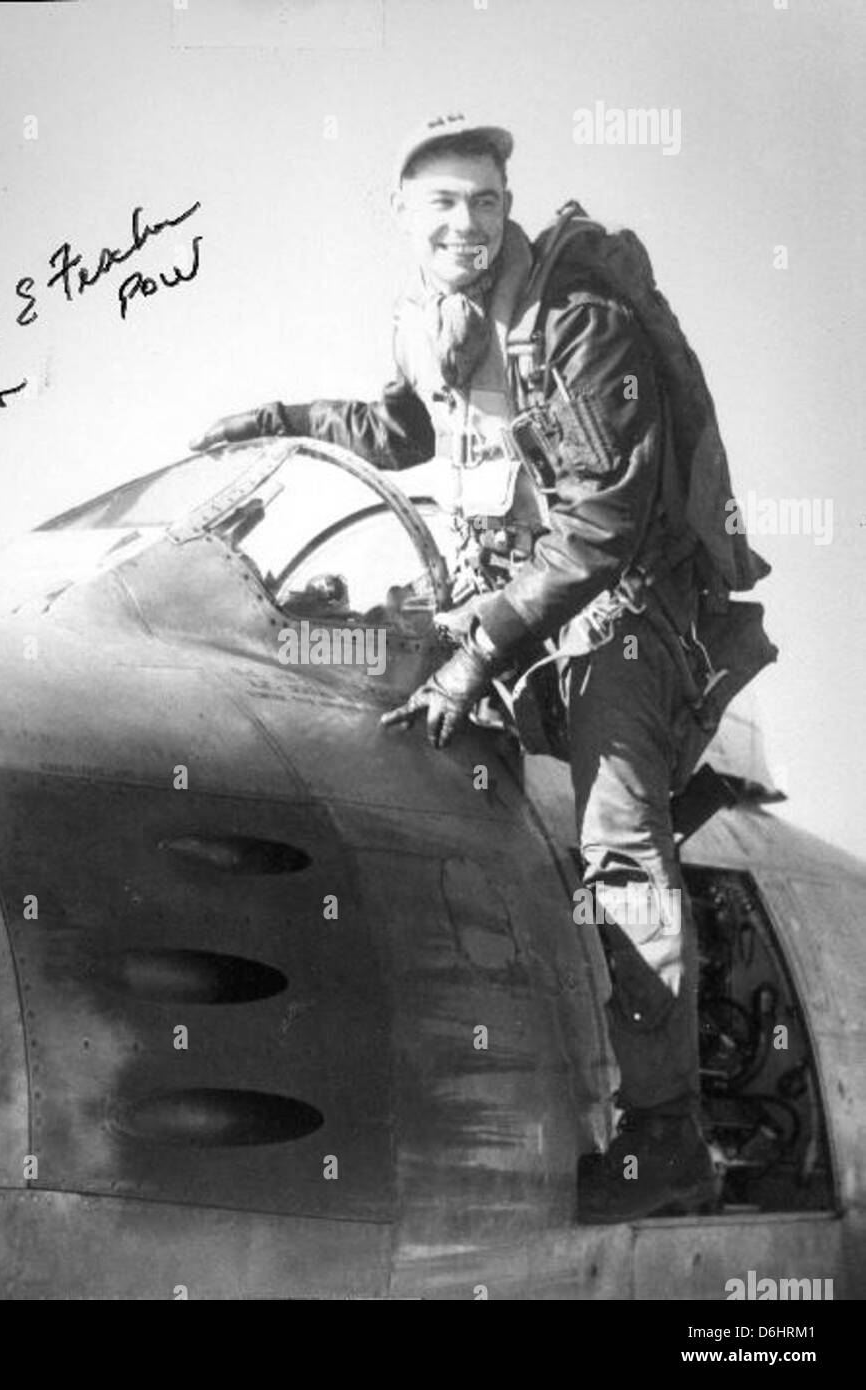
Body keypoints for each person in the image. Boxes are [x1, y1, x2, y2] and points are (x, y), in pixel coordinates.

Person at [190, 112, 749, 1222]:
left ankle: (666, 1140)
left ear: (508, 206)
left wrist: (478, 652)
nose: (466, 222)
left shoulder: (575, 321)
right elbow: (402, 429)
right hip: (506, 606)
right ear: (402, 215)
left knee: (619, 846)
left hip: (616, 619)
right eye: (442, 202)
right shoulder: (429, 320)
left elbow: (600, 523)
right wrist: (283, 419)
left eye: (485, 200)